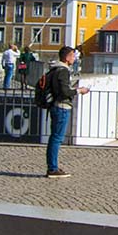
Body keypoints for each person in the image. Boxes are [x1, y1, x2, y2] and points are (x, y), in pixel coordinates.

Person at [44, 45, 89, 178]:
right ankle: (52, 168)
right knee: (57, 138)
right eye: (73, 56)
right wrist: (78, 91)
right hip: (62, 107)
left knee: (55, 137)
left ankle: (53, 166)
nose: (74, 58)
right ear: (67, 57)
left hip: (56, 106)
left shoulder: (55, 69)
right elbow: (64, 91)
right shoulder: (63, 71)